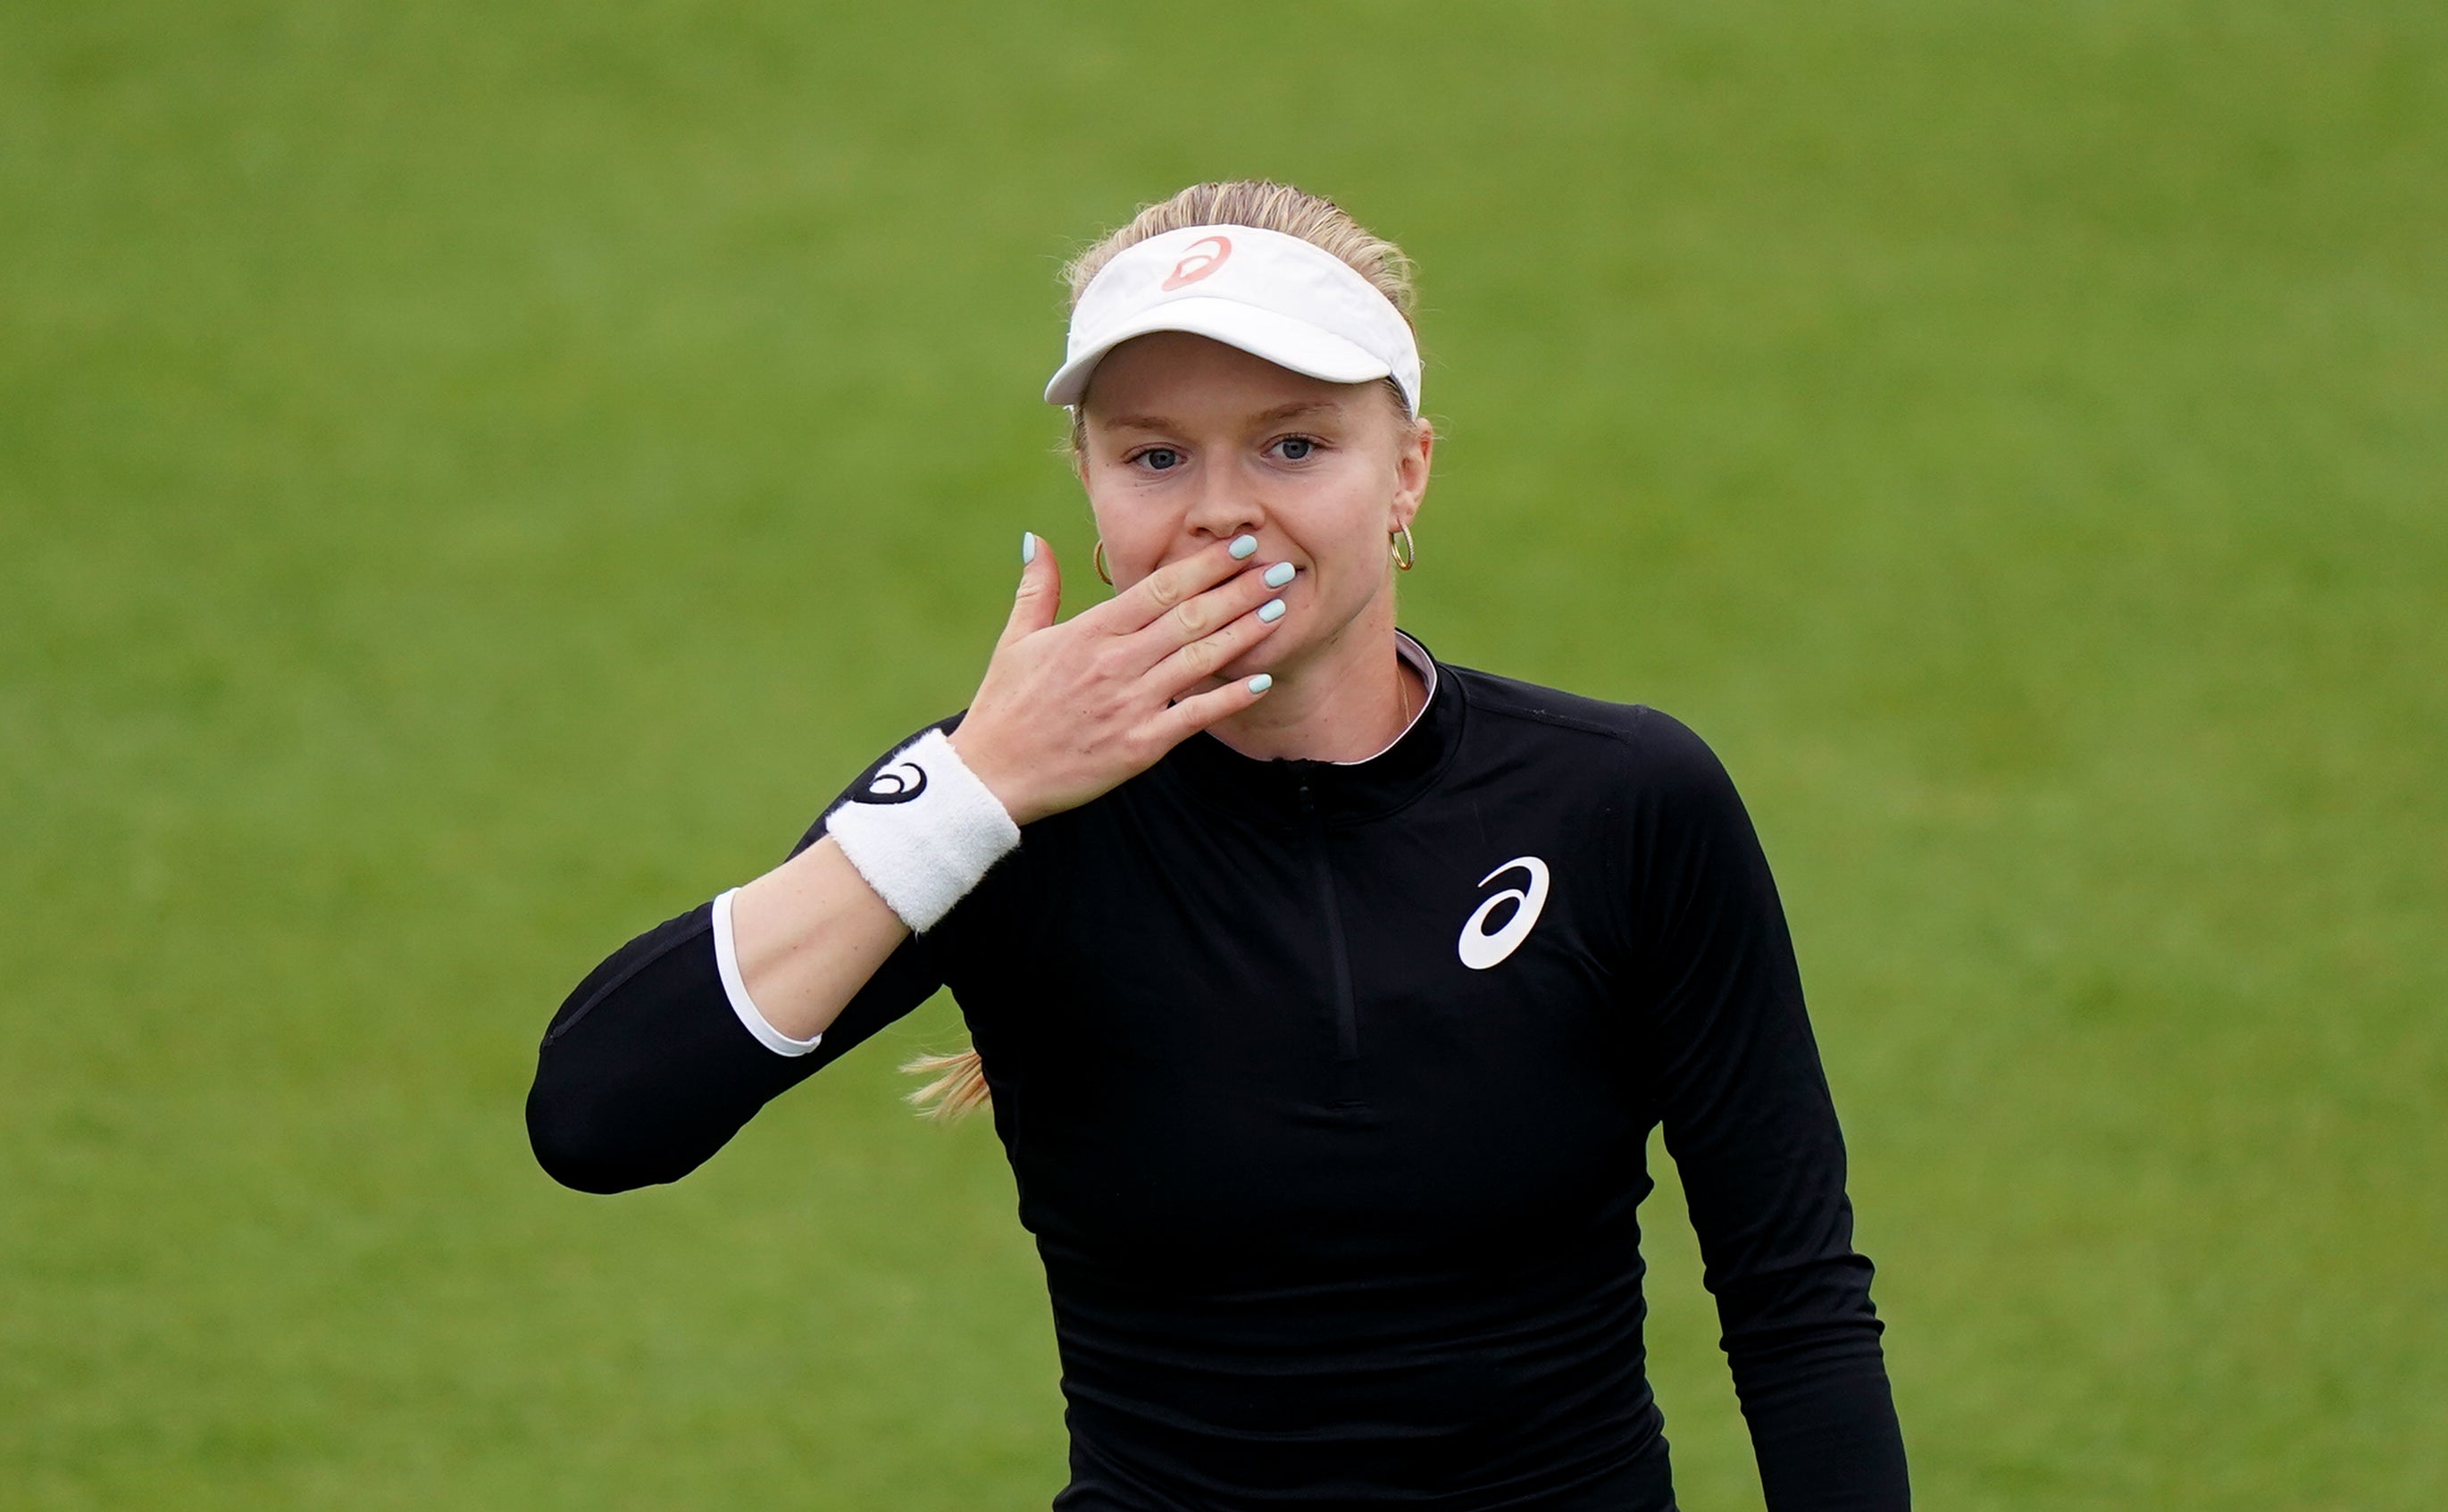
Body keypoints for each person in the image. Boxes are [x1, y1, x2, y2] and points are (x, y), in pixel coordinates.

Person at [526, 180, 1910, 1510]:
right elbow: (598, 1116)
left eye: (1292, 445)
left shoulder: (1619, 801)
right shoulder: (996, 804)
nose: (1220, 508)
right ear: (1088, 480)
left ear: (1407, 471)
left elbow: (1792, 1303)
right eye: (1154, 455)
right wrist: (976, 786)